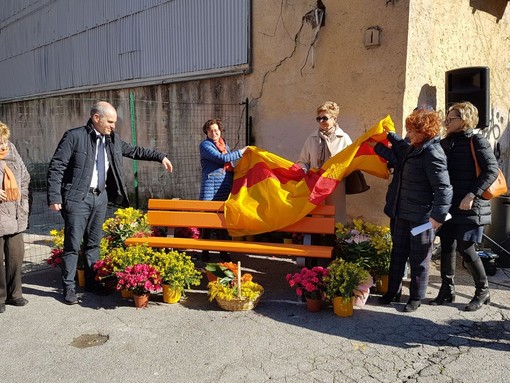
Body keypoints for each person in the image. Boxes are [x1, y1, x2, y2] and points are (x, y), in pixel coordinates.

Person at [47, 101, 173, 305]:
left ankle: (91, 283)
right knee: (72, 245)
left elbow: (135, 151)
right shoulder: (74, 136)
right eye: (110, 121)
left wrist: (161, 157)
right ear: (96, 118)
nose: (113, 126)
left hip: (100, 198)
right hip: (77, 198)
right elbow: (56, 167)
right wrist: (54, 197)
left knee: (94, 243)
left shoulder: (112, 140)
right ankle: (69, 287)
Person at [376, 108, 452, 312]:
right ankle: (393, 291)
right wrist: (380, 139)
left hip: (422, 218)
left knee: (419, 259)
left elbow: (443, 188)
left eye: (412, 130)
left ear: (425, 131)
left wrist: (438, 217)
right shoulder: (413, 147)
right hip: (401, 213)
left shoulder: (433, 153)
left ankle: (416, 298)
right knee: (398, 254)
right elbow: (398, 148)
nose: (408, 134)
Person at [431, 101, 499, 311]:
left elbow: (491, 170)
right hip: (450, 204)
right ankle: (446, 290)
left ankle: (482, 290)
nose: (446, 122)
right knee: (447, 245)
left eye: (451, 119)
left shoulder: (476, 140)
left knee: (466, 248)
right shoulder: (445, 143)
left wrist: (472, 194)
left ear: (465, 120)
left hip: (471, 205)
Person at [297, 101, 352, 224]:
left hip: (335, 185)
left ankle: (336, 240)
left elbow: (351, 162)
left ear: (334, 119)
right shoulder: (311, 139)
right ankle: (317, 239)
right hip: (316, 184)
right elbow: (303, 161)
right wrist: (304, 173)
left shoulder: (344, 139)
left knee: (336, 219)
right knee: (317, 218)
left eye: (325, 118)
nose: (321, 121)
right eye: (318, 118)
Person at [199, 119, 247, 262]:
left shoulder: (224, 144)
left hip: (225, 187)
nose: (214, 133)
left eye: (216, 130)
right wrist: (242, 152)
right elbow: (222, 158)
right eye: (210, 130)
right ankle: (205, 253)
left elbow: (230, 164)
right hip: (211, 189)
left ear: (220, 130)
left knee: (222, 222)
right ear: (206, 132)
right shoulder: (205, 145)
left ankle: (223, 253)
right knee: (207, 223)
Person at [0, 121, 31, 313]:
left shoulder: (11, 150)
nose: (3, 145)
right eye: (0, 142)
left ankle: (15, 294)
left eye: (4, 141)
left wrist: (23, 199)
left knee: (16, 256)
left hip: (16, 213)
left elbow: (25, 177)